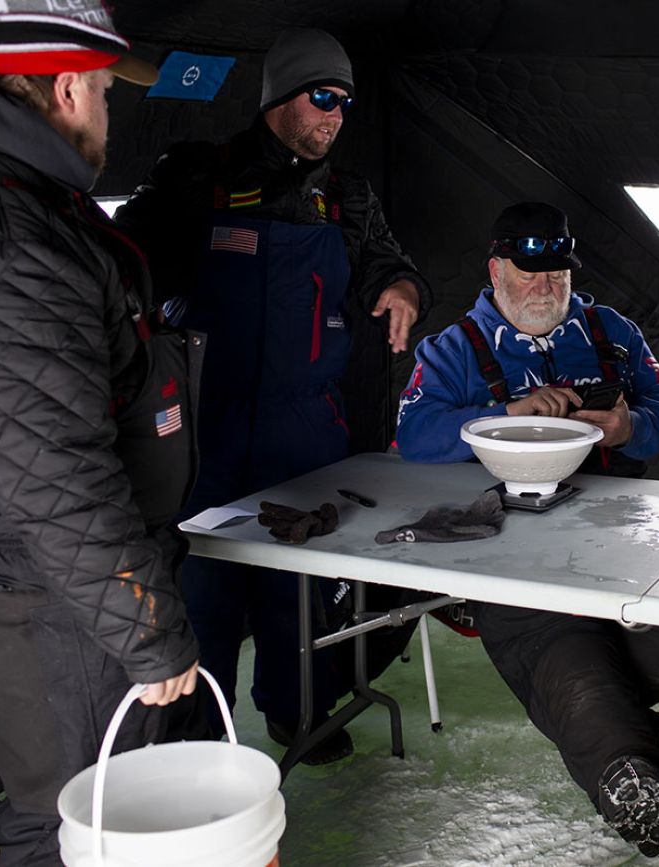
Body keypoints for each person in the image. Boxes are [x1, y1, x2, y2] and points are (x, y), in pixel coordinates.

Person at [0, 3, 201, 864]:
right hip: (48, 596)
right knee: (65, 820)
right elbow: (50, 473)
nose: (108, 107)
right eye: (103, 88)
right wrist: (145, 630)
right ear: (64, 86)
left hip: (67, 585)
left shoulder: (23, 199)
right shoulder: (1, 238)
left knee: (107, 806)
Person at [115, 27, 431, 762]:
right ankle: (198, 743)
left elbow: (394, 262)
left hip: (305, 432)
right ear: (281, 97)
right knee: (205, 594)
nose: (336, 116)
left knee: (300, 594)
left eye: (346, 103)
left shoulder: (346, 196)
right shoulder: (199, 175)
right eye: (324, 97)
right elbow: (123, 257)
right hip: (207, 431)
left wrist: (402, 289)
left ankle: (299, 715)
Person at [394, 202, 659, 858]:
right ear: (495, 269)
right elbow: (412, 434)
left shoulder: (611, 330)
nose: (544, 287)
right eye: (529, 273)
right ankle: (629, 776)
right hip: (508, 544)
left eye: (556, 273)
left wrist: (630, 426)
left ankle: (614, 716)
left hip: (622, 532)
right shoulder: (453, 349)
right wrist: (504, 411)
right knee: (557, 640)